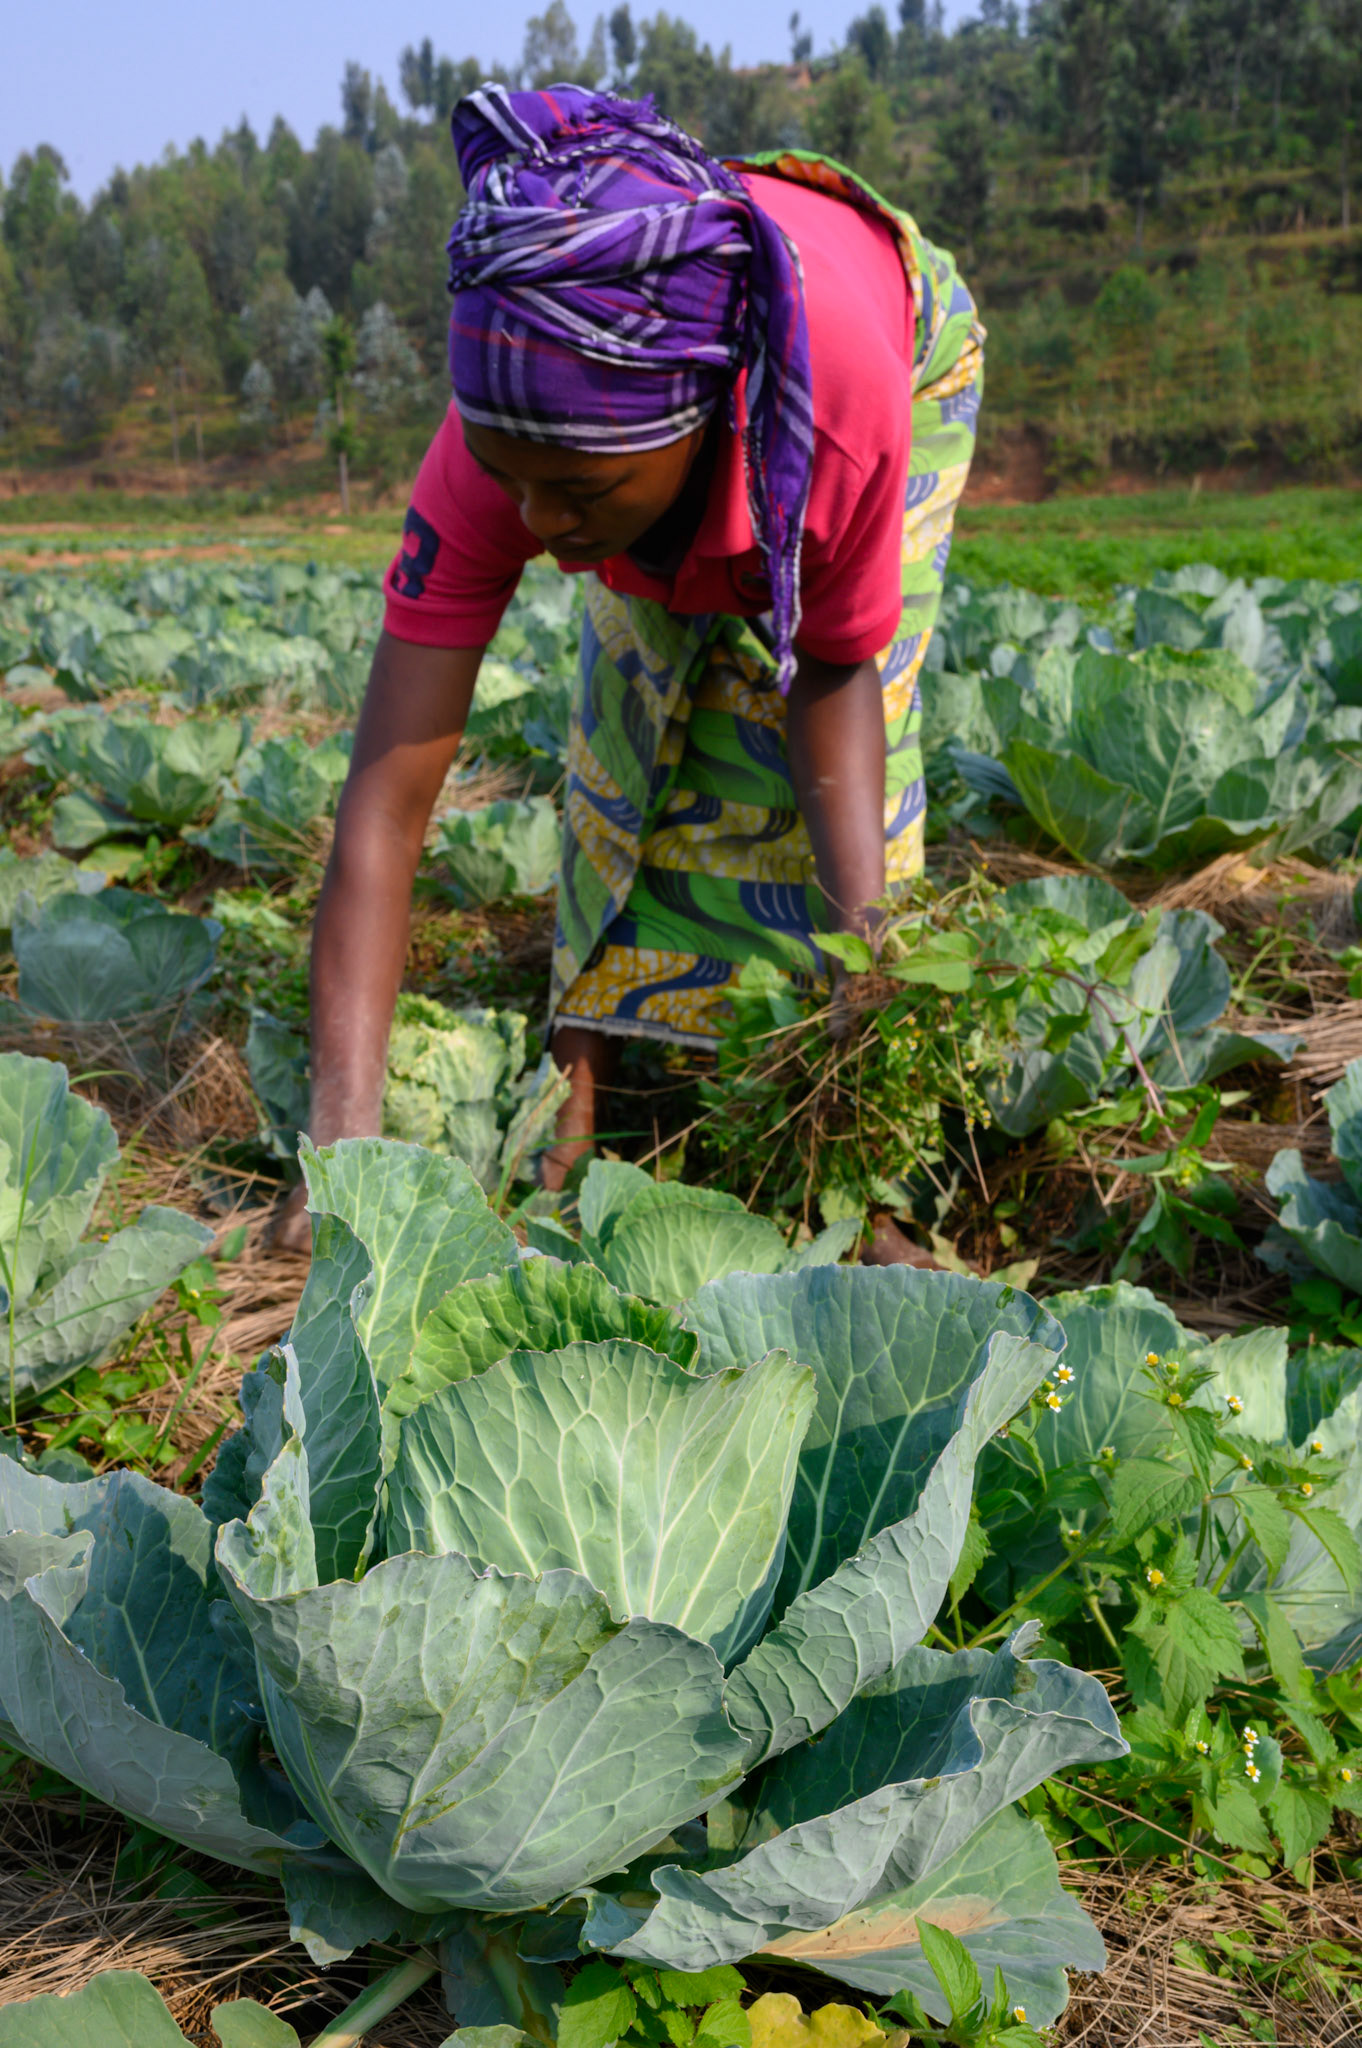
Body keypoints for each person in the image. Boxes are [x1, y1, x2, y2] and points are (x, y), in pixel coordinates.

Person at [274, 82, 984, 1250]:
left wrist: (871, 985)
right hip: (684, 316)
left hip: (892, 341)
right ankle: (581, 1069)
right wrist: (338, 1142)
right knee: (624, 706)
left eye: (580, 493)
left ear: (700, 419)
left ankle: (858, 1187)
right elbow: (387, 799)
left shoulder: (838, 426)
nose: (541, 526)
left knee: (812, 736)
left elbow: (836, 677)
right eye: (514, 482)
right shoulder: (518, 430)